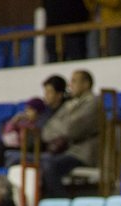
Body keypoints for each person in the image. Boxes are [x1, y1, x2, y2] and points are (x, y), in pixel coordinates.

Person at [39, 70, 100, 198]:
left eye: (74, 81)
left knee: (48, 163)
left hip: (83, 154)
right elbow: (46, 131)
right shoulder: (70, 104)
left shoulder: (93, 102)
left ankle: (62, 202)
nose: (70, 85)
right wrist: (64, 127)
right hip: (68, 151)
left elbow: (72, 130)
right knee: (40, 161)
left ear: (86, 84)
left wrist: (62, 127)